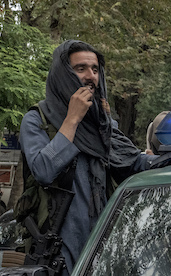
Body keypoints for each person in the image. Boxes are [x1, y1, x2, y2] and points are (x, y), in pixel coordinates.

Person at [19, 40, 155, 274]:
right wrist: (72, 119)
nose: (90, 76)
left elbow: (134, 163)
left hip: (103, 250)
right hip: (58, 254)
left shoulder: (102, 125)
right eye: (80, 69)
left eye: (94, 69)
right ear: (63, 76)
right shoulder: (37, 120)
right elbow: (43, 170)